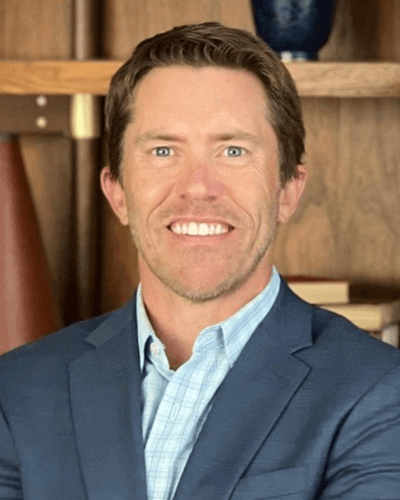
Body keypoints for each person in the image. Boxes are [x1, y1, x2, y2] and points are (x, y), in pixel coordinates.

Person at [0, 22, 399, 500]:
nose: (197, 187)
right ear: (117, 192)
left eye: (233, 150)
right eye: (163, 150)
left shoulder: (378, 392)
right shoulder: (17, 389)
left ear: (288, 191)